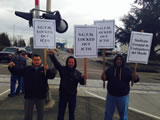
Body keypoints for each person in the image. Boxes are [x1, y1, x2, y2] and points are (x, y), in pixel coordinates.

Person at [8, 54, 56, 120]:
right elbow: (17, 72)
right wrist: (11, 67)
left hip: (41, 96)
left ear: (40, 61)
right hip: (29, 96)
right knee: (27, 116)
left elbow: (52, 76)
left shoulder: (44, 69)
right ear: (32, 61)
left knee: (40, 115)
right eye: (35, 60)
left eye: (38, 60)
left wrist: (48, 70)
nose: (36, 61)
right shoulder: (27, 69)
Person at [48, 49, 87, 120]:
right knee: (61, 113)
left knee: (72, 113)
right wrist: (52, 55)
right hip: (63, 95)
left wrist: (84, 78)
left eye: (72, 62)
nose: (71, 63)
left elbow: (82, 83)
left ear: (74, 63)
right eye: (69, 62)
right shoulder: (62, 69)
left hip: (72, 96)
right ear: (67, 62)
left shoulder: (78, 73)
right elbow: (56, 64)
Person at [101, 54, 140, 120]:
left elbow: (135, 79)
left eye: (120, 60)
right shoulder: (110, 69)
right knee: (108, 115)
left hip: (123, 97)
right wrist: (103, 77)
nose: (119, 61)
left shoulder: (127, 70)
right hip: (111, 96)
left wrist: (135, 78)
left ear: (123, 61)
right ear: (115, 61)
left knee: (123, 116)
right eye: (117, 59)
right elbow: (104, 78)